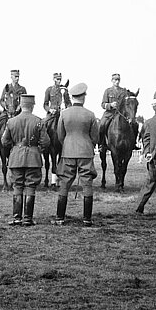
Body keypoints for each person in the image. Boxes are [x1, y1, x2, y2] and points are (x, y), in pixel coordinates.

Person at [52, 83, 99, 227]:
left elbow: (60, 135)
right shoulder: (90, 114)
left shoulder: (64, 114)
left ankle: (60, 218)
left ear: (72, 97)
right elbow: (95, 137)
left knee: (65, 183)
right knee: (87, 184)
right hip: (86, 152)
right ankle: (87, 219)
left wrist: (67, 144)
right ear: (83, 97)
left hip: (68, 152)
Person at [2, 94, 50, 226]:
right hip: (33, 158)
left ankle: (17, 218)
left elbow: (4, 141)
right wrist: (38, 150)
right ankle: (28, 219)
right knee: (30, 186)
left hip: (16, 157)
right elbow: (46, 142)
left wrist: (15, 148)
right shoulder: (39, 121)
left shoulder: (11, 121)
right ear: (32, 106)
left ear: (20, 105)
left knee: (17, 185)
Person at [99, 73, 139, 149]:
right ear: (112, 80)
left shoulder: (124, 91)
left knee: (135, 125)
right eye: (115, 80)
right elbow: (103, 104)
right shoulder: (108, 91)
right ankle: (102, 144)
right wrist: (110, 105)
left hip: (122, 114)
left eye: (118, 80)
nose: (117, 82)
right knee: (102, 125)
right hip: (110, 113)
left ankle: (133, 143)